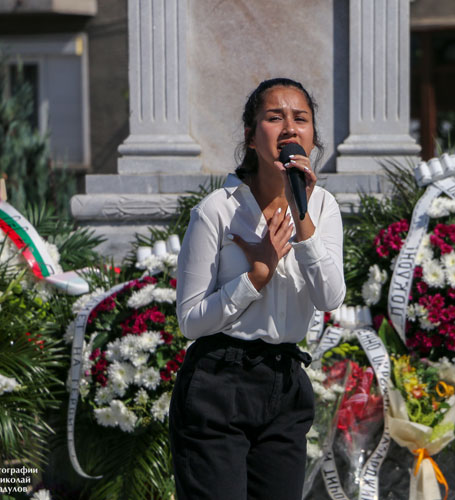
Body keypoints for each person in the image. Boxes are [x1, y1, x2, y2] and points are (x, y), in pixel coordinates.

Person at [169, 78, 346, 500]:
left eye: (300, 118)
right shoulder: (217, 210)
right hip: (218, 384)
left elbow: (330, 298)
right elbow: (190, 322)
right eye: (274, 117)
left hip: (285, 385)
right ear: (251, 136)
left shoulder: (323, 207)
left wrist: (302, 217)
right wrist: (256, 277)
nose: (289, 127)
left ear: (312, 137)